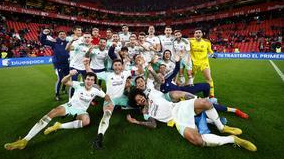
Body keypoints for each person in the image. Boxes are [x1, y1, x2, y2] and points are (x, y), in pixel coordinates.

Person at [4, 71, 111, 150]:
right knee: (52, 112)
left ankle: (59, 126)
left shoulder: (96, 89)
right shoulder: (79, 84)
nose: (90, 81)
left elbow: (106, 97)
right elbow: (64, 81)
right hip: (70, 106)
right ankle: (25, 140)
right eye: (88, 79)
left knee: (86, 121)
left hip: (81, 111)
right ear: (84, 80)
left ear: (94, 81)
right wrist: (69, 74)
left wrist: (108, 104)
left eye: (92, 80)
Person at [127, 89, 257, 151]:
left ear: (143, 95)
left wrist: (189, 96)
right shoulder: (145, 112)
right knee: (197, 140)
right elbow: (153, 125)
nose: (141, 100)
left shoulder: (154, 96)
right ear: (137, 104)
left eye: (141, 97)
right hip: (177, 121)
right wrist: (137, 122)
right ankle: (232, 139)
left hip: (180, 107)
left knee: (205, 103)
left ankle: (221, 128)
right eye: (138, 100)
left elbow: (173, 94)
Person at [84, 58, 142, 150]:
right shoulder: (107, 75)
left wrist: (140, 64)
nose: (117, 67)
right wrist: (86, 65)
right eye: (115, 65)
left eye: (119, 65)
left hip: (122, 98)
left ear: (122, 66)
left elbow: (139, 72)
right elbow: (92, 74)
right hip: (110, 99)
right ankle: (99, 137)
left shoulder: (126, 73)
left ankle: (142, 111)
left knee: (137, 104)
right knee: (107, 115)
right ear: (112, 66)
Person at [40, 28, 69, 101]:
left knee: (66, 78)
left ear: (66, 35)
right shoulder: (54, 42)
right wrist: (44, 34)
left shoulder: (68, 42)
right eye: (60, 34)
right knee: (60, 78)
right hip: (58, 64)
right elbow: (43, 41)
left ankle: (63, 89)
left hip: (66, 63)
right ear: (58, 36)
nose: (62, 35)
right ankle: (57, 94)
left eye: (64, 34)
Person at [189, 28, 216, 97]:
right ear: (194, 35)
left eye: (199, 32)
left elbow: (210, 52)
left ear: (202, 34)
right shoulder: (190, 41)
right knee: (190, 78)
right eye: (196, 33)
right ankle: (189, 92)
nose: (198, 34)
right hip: (193, 63)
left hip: (204, 63)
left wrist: (213, 55)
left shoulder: (207, 42)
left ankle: (212, 95)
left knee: (208, 78)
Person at [66, 26, 91, 97]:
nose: (87, 39)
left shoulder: (91, 47)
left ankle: (82, 96)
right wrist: (71, 41)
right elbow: (68, 49)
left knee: (85, 83)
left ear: (91, 39)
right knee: (73, 84)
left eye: (88, 37)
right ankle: (71, 99)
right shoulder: (78, 44)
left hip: (84, 68)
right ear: (83, 38)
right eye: (85, 37)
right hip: (75, 66)